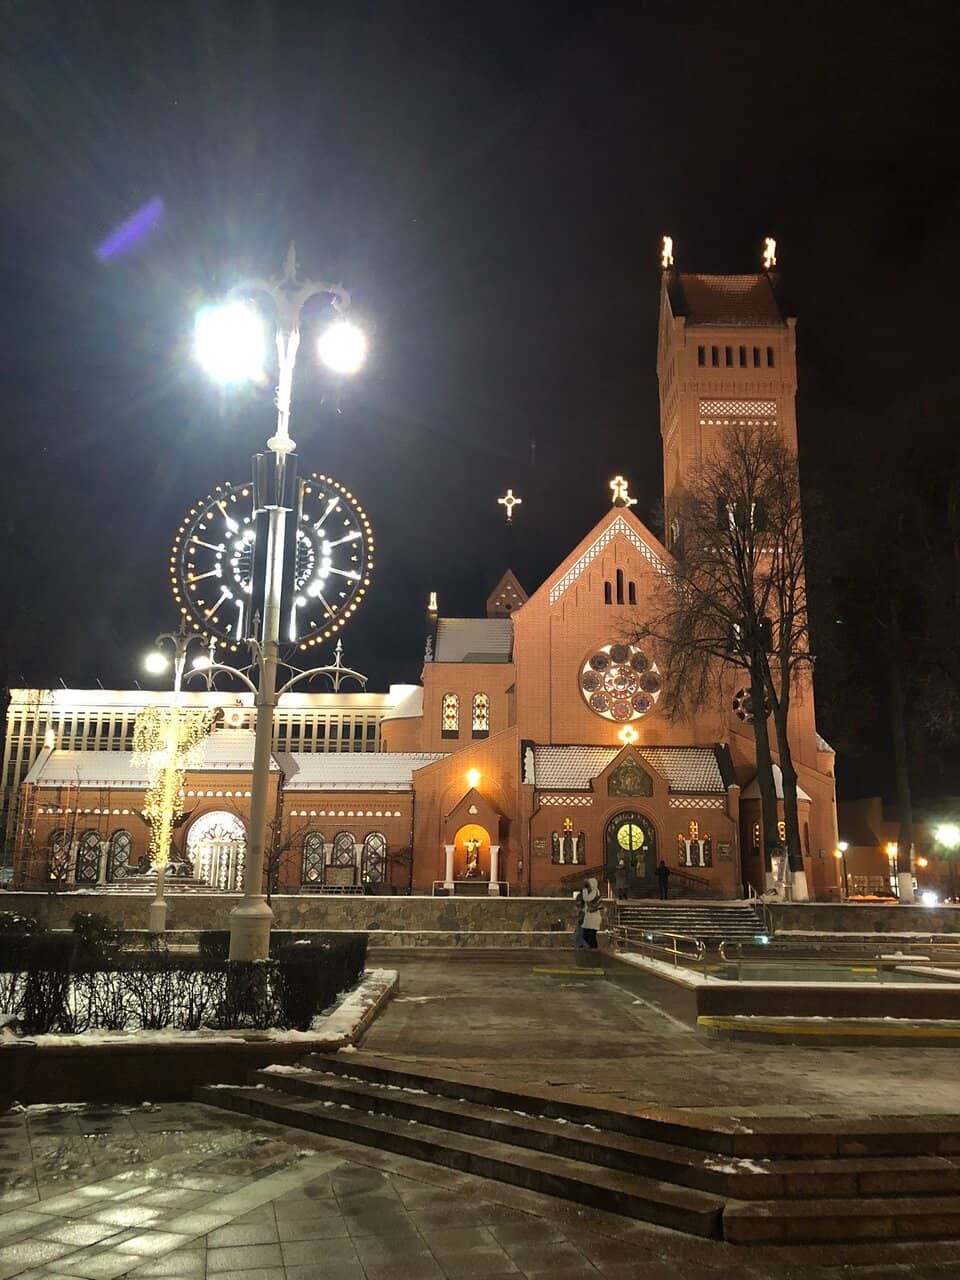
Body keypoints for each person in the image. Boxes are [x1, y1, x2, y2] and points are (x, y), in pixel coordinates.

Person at [580, 877, 602, 949]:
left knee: (591, 935)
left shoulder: (595, 891)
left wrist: (585, 889)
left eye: (589, 884)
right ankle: (592, 948)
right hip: (590, 917)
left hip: (593, 917)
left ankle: (594, 949)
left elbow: (586, 899)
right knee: (587, 934)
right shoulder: (594, 891)